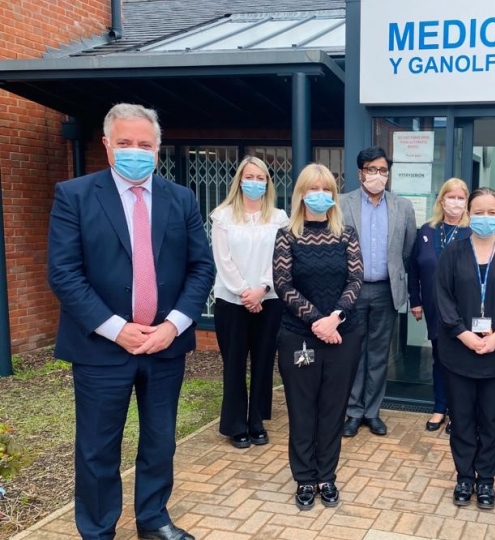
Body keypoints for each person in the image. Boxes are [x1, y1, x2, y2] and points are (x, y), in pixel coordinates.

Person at [47, 103, 214, 540]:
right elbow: (64, 273)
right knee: (98, 448)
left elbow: (201, 268)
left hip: (164, 346)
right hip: (101, 347)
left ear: (158, 149)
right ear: (107, 145)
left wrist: (173, 325)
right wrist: (115, 328)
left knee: (160, 441)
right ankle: (98, 529)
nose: (134, 151)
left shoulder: (181, 199)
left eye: (144, 144)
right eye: (125, 143)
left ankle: (153, 519)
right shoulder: (75, 196)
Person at [273, 163, 364, 511]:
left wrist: (335, 318)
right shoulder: (287, 235)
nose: (321, 195)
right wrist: (317, 322)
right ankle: (304, 478)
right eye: (313, 188)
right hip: (300, 335)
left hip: (344, 333)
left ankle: (326, 475)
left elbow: (356, 280)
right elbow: (283, 285)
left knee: (332, 408)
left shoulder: (346, 234)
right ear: (301, 193)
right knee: (302, 408)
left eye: (327, 188)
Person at [436, 187, 495, 510]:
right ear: (468, 214)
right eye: (479, 211)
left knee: (491, 419)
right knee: (461, 418)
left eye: (492, 212)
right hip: (458, 351)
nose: (485, 218)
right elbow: (443, 298)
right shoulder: (453, 252)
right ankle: (464, 476)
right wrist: (463, 334)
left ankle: (486, 479)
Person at [211, 156, 289, 449]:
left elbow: (281, 258)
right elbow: (223, 259)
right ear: (239, 180)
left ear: (268, 182)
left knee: (263, 362)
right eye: (250, 177)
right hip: (231, 301)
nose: (254, 182)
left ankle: (256, 421)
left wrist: (262, 289)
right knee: (234, 363)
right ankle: (235, 424)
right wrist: (245, 291)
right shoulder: (223, 216)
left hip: (268, 299)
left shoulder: (279, 217)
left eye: (261, 178)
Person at [340, 146, 416, 437]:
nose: (377, 175)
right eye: (371, 169)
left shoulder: (402, 206)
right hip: (351, 291)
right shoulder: (342, 203)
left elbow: (407, 250)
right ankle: (353, 411)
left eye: (383, 170)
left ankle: (372, 412)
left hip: (386, 290)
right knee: (354, 352)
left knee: (379, 354)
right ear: (360, 173)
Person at [408, 178, 472, 434]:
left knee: (462, 361)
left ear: (466, 202)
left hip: (464, 310)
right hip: (434, 309)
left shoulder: (472, 231)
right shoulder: (426, 230)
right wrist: (416, 300)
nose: (455, 202)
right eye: (450, 197)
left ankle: (459, 412)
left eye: (460, 198)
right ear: (441, 199)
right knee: (440, 359)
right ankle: (439, 407)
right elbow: (414, 267)